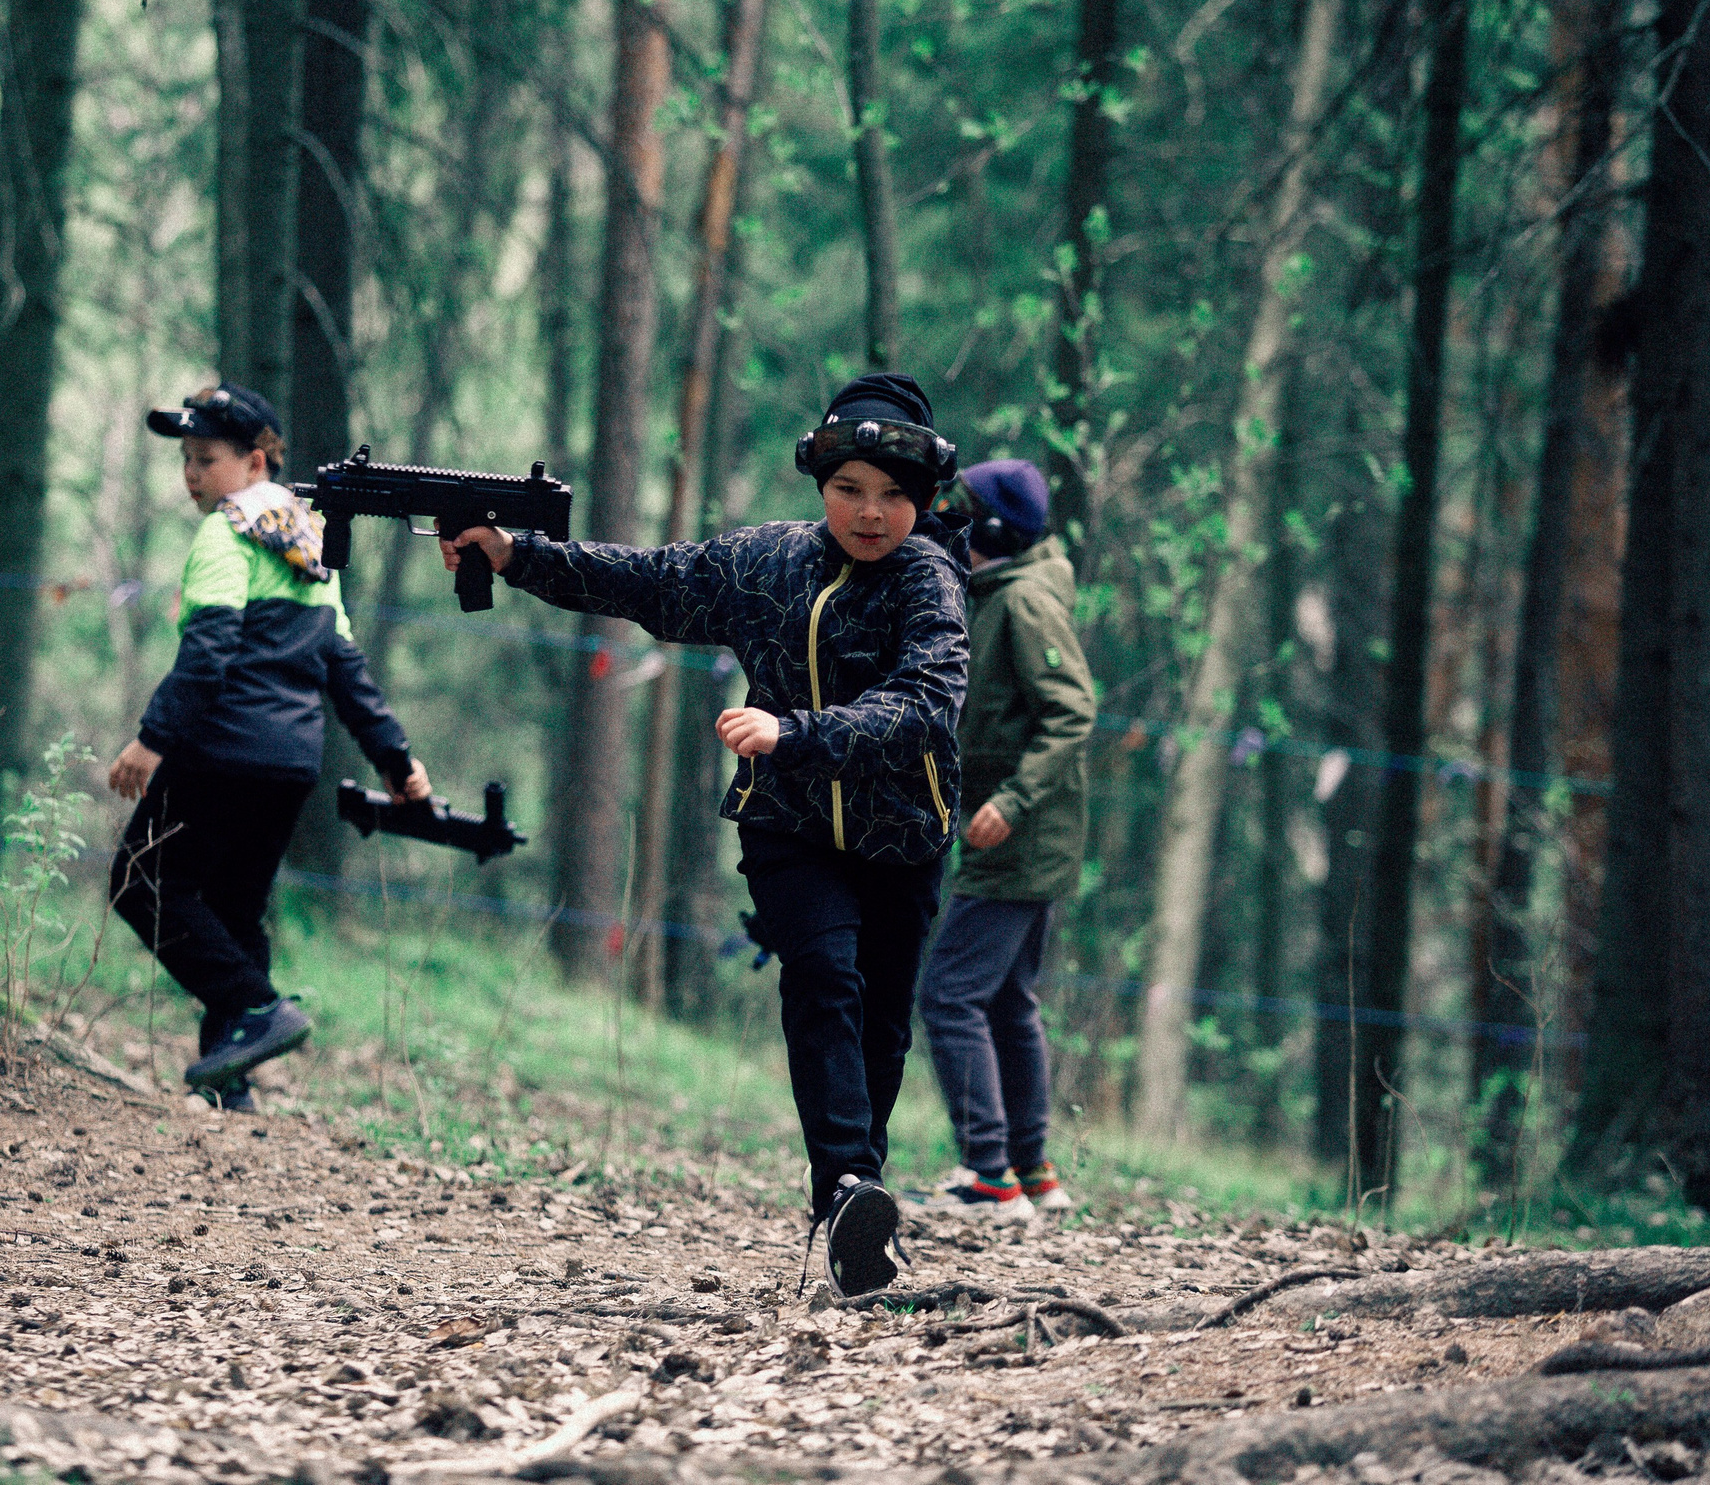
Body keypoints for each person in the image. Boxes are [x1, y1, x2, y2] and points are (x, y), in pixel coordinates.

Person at [442, 372, 968, 1297]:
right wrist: (515, 552)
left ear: (922, 500)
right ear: (820, 486)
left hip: (901, 839)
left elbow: (927, 704)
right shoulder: (768, 561)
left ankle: (858, 1213)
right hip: (789, 826)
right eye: (850, 489)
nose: (872, 512)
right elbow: (647, 580)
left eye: (894, 495)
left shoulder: (929, 579)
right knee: (824, 979)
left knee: (883, 1022)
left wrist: (797, 731)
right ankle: (846, 1180)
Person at [104, 383, 432, 1111]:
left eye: (207, 459)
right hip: (289, 766)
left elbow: (208, 654)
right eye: (186, 459)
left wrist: (151, 741)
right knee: (232, 908)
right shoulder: (309, 542)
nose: (192, 474)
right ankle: (233, 1081)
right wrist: (395, 756)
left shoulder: (226, 534)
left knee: (139, 881)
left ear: (255, 461)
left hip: (220, 752)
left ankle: (260, 1011)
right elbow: (342, 665)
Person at [917, 460, 1095, 1218]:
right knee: (1008, 999)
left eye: (963, 508)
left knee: (949, 994)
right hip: (1020, 829)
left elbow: (1072, 711)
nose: (950, 517)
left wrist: (1014, 801)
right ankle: (1032, 1169)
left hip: (1019, 834)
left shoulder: (1023, 601)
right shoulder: (1002, 591)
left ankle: (988, 1173)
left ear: (992, 527)